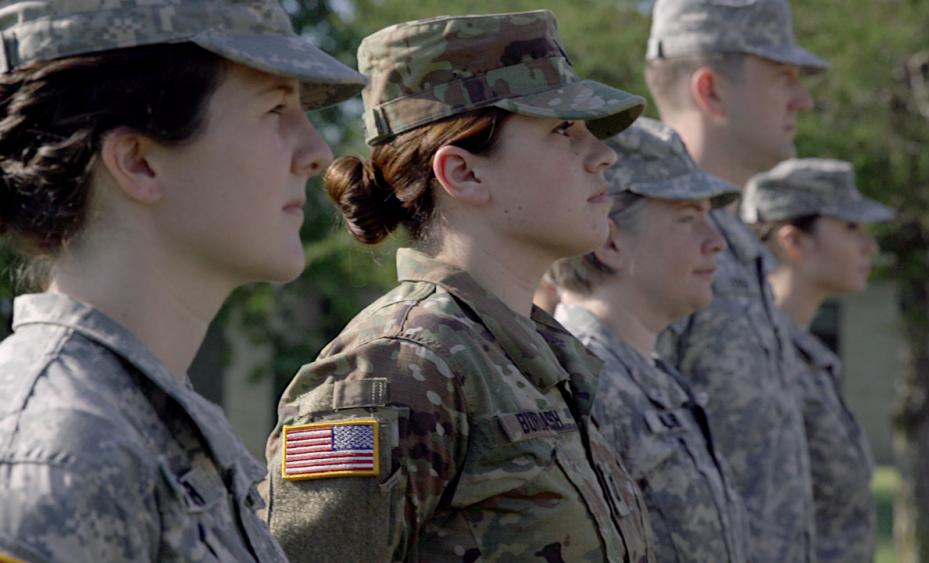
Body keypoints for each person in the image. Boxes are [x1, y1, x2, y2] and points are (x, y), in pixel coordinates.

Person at [262, 11, 652, 563]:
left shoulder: (531, 357)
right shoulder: (397, 369)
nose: (603, 155)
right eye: (564, 131)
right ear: (464, 173)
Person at [0, 1, 365, 561]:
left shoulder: (148, 424)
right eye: (275, 108)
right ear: (140, 162)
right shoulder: (62, 451)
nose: (317, 153)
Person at [645, 0, 829, 560]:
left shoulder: (734, 242)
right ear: (712, 90)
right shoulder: (644, 238)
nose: (804, 99)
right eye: (782, 77)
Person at [549, 117, 749, 562]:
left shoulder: (650, 375)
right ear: (611, 242)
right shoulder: (580, 387)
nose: (716, 241)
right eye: (687, 217)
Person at [742, 158, 894, 563]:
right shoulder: (753, 356)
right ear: (794, 242)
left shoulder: (803, 354)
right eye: (851, 228)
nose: (870, 246)